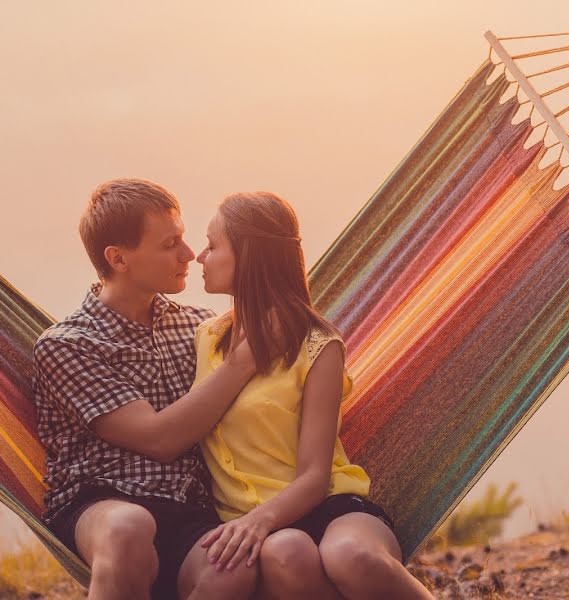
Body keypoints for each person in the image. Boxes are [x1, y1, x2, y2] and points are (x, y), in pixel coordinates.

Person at [193, 191, 434, 600]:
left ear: (250, 256)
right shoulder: (207, 338)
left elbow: (314, 476)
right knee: (285, 552)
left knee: (351, 556)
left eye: (213, 246)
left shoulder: (318, 346)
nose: (201, 256)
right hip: (255, 533)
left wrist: (258, 521)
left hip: (329, 508)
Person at [32, 178, 261, 600]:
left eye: (185, 238)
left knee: (235, 567)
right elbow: (159, 440)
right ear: (118, 259)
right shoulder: (67, 345)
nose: (189, 254)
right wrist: (241, 361)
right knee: (129, 529)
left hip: (190, 506)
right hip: (100, 503)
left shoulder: (200, 325)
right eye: (169, 243)